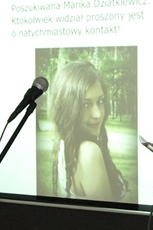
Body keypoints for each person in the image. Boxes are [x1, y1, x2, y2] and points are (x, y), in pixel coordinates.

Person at [49, 60, 127, 201]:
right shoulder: (89, 152)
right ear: (68, 108)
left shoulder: (66, 143)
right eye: (85, 104)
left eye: (100, 101)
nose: (97, 114)